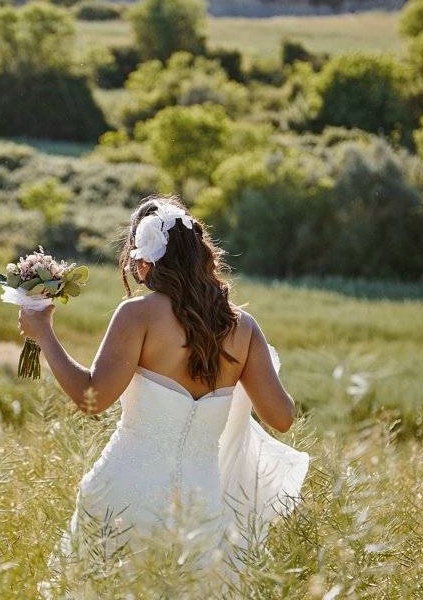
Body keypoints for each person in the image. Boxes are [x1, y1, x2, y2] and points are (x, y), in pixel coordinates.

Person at [18, 196, 309, 578]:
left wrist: (44, 334)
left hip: (122, 498)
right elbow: (282, 418)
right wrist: (257, 365)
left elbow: (92, 399)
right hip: (199, 509)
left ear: (147, 259)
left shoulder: (137, 314)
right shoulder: (243, 327)